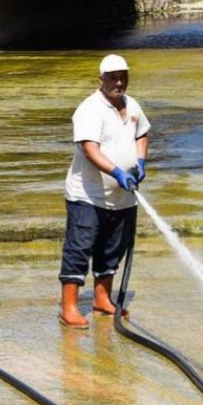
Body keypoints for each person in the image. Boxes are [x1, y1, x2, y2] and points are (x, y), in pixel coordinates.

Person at [58, 54, 150, 329]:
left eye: (123, 77)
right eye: (113, 78)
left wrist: (141, 162)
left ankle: (102, 299)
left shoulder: (132, 105)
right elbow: (89, 149)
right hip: (88, 195)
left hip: (123, 198)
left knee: (113, 247)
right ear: (102, 79)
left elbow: (142, 134)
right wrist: (117, 172)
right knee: (80, 247)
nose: (119, 82)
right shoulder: (89, 109)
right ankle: (69, 308)